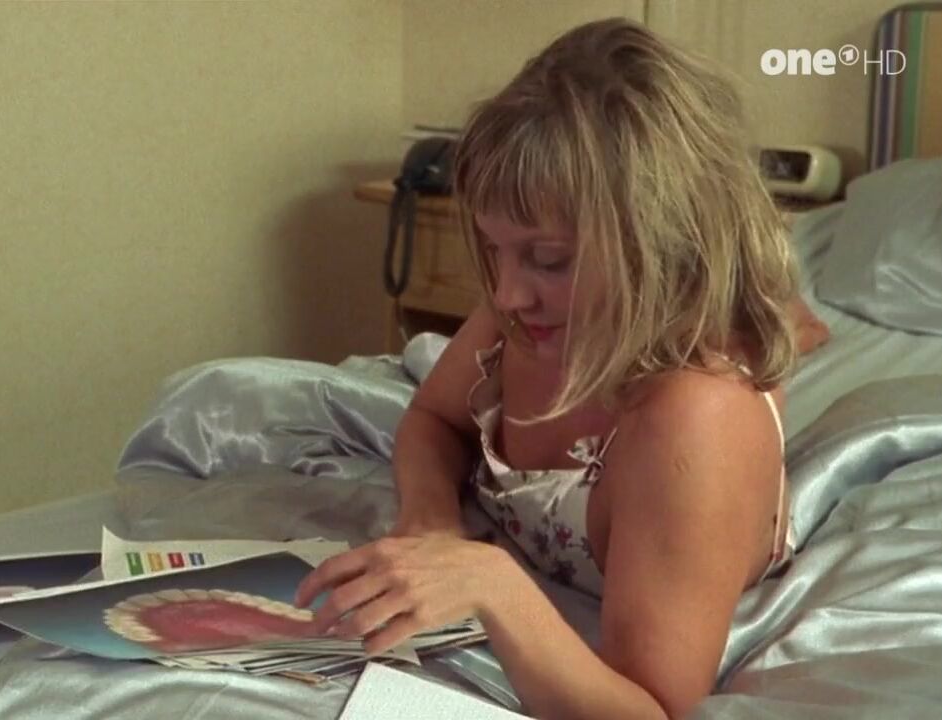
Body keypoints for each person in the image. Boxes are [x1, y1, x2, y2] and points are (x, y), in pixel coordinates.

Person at [295, 18, 802, 720]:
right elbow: (435, 419)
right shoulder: (526, 317)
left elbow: (652, 711)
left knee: (780, 333)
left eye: (549, 259)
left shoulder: (694, 418)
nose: (505, 295)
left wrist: (494, 584)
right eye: (493, 249)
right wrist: (431, 523)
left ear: (659, 241)